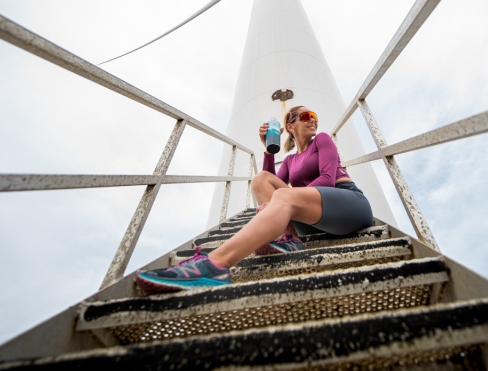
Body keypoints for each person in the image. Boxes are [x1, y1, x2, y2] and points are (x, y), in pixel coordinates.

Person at [136, 105, 373, 294]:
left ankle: (215, 264)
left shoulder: (322, 140)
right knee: (259, 180)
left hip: (348, 205)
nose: (313, 120)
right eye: (306, 116)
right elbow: (269, 181)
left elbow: (328, 179)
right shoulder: (290, 161)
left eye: (314, 116)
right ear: (289, 125)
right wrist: (268, 150)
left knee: (283, 196)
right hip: (315, 220)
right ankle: (290, 238)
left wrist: (286, 199)